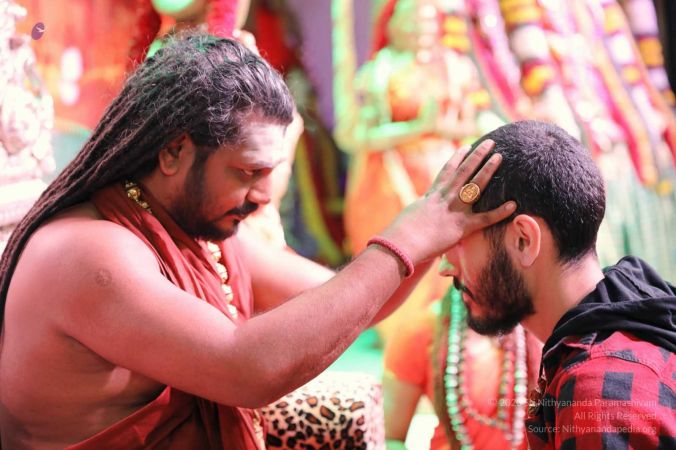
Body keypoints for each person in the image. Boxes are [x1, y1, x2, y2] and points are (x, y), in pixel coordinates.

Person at [0, 32, 515, 449]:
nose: (265, 195)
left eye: (271, 171)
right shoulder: (93, 252)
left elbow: (353, 302)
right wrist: (408, 237)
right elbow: (246, 368)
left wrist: (435, 227)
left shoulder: (189, 226)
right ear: (173, 152)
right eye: (248, 172)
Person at [441, 120, 676, 449]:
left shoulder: (597, 395)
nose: (445, 266)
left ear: (524, 240)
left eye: (459, 240)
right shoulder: (626, 323)